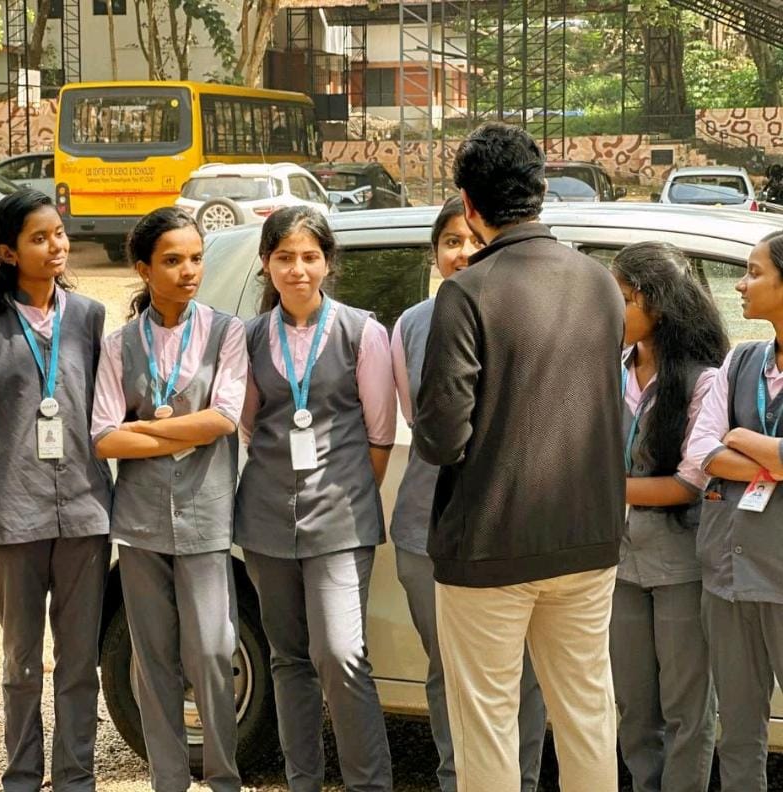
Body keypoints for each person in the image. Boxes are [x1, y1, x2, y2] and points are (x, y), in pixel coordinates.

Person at [414, 122, 626, 792]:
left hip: (487, 544)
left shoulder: (466, 292)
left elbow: (442, 437)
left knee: (487, 725)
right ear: (540, 190)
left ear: (469, 206)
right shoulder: (600, 282)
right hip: (588, 538)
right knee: (587, 714)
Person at [0, 190, 112, 792]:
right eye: (39, 238)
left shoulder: (90, 317)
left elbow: (105, 408)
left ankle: (75, 777)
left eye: (59, 233)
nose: (56, 246)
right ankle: (21, 776)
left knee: (79, 657)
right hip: (12, 509)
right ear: (7, 252)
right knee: (20, 657)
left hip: (85, 508)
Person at [235, 206, 396, 792]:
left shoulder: (362, 332)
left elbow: (380, 433)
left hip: (341, 517)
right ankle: (303, 780)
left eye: (309, 257)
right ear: (266, 264)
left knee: (341, 653)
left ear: (328, 262)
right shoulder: (249, 337)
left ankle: (368, 785)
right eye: (284, 258)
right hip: (266, 516)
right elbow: (249, 426)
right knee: (287, 658)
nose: (297, 269)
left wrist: (343, 492)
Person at [390, 196, 547, 792]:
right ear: (434, 254)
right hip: (425, 526)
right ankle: (455, 780)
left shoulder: (528, 311)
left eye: (474, 240)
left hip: (510, 523)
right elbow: (416, 421)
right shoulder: (411, 324)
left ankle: (519, 781)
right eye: (450, 242)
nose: (463, 253)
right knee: (447, 671)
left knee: (520, 672)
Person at [91, 206, 247, 792]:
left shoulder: (228, 332)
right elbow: (104, 438)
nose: (189, 271)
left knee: (211, 650)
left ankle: (224, 777)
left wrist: (146, 428)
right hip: (140, 520)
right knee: (153, 658)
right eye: (173, 260)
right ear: (143, 269)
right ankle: (168, 780)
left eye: (196, 259)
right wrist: (184, 431)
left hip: (206, 514)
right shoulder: (119, 344)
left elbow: (224, 418)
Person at [609, 242, 727, 792]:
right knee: (634, 708)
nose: (611, 310)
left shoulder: (704, 381)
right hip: (618, 565)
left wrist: (597, 490)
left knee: (687, 708)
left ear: (655, 303)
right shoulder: (609, 370)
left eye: (622, 298)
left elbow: (687, 484)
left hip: (682, 564)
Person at [687, 229, 783, 792]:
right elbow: (701, 450)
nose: (741, 285)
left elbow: (723, 445)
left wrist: (740, 436)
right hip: (728, 575)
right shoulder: (741, 359)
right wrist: (771, 457)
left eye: (754, 272)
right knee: (739, 732)